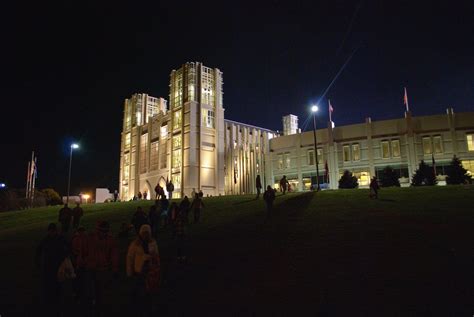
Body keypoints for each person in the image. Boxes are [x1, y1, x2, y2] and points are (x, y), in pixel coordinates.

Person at [126, 224, 160, 316]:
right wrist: (129, 271)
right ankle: (139, 307)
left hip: (150, 272)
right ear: (141, 233)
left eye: (147, 233)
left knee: (150, 291)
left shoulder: (152, 242)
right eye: (144, 233)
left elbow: (157, 256)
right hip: (139, 271)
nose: (145, 235)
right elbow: (130, 258)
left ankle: (150, 307)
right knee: (140, 290)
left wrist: (157, 266)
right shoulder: (135, 244)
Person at [86, 221, 119, 315]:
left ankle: (100, 307)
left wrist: (114, 268)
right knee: (92, 291)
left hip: (103, 269)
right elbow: (84, 251)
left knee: (102, 292)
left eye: (105, 231)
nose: (104, 233)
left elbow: (114, 255)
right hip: (92, 268)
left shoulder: (110, 240)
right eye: (102, 231)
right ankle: (94, 306)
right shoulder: (90, 238)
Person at [35, 223, 69, 316]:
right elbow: (39, 250)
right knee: (49, 282)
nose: (52, 233)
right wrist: (38, 262)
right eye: (50, 231)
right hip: (48, 265)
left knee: (57, 282)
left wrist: (65, 256)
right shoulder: (46, 239)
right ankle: (50, 298)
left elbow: (68, 247)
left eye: (53, 231)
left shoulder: (60, 238)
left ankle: (56, 298)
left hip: (58, 265)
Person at [71, 227, 88, 303]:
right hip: (80, 262)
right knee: (79, 277)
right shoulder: (78, 239)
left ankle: (78, 293)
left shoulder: (77, 239)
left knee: (80, 278)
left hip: (81, 262)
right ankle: (78, 292)